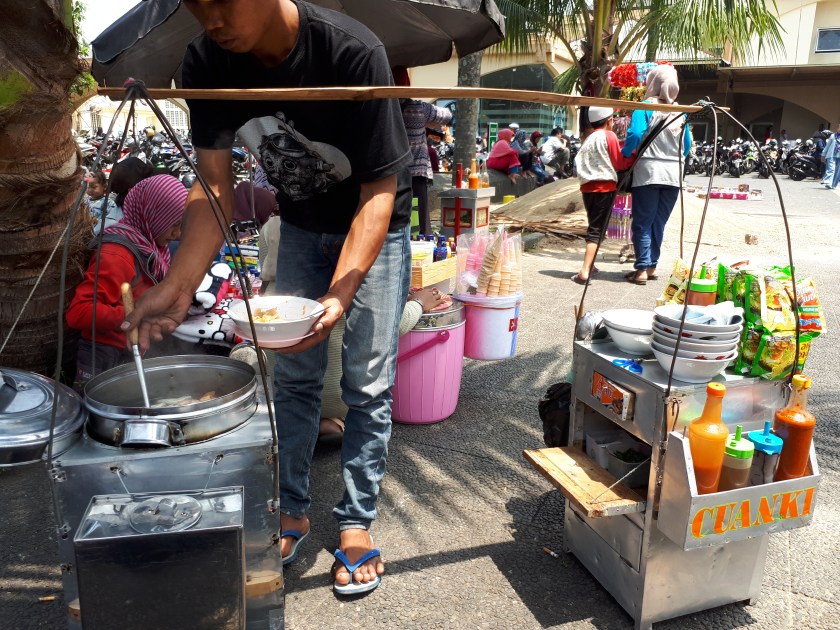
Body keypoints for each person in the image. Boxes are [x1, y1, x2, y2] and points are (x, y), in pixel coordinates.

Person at [125, 0, 412, 596]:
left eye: (222, 1)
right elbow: (214, 188)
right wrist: (177, 285)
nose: (211, 20)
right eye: (196, 5)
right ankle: (292, 508)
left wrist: (339, 294)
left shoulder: (352, 52)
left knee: (367, 383)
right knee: (294, 377)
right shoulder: (206, 63)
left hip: (376, 225)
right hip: (302, 224)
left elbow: (379, 191)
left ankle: (356, 521)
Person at [67, 175, 188, 391]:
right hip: (103, 357)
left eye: (181, 225)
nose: (177, 234)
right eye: (174, 224)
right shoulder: (116, 255)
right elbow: (79, 312)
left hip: (129, 351)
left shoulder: (151, 247)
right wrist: (135, 315)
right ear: (153, 213)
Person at [621, 64, 691, 285]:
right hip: (674, 175)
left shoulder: (644, 107)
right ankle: (651, 267)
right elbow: (687, 145)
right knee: (658, 222)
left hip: (649, 172)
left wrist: (626, 153)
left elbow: (635, 134)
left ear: (653, 83)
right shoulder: (681, 111)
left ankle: (641, 269)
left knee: (643, 222)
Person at [571, 107, 635, 285]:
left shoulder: (589, 138)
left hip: (587, 188)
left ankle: (590, 266)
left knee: (594, 226)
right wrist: (633, 156)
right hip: (604, 187)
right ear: (609, 120)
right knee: (597, 230)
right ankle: (585, 272)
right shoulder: (609, 135)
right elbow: (619, 163)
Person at [391, 66, 452, 235]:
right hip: (416, 173)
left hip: (391, 173)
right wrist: (429, 122)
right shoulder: (419, 108)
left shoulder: (383, 108)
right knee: (420, 220)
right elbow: (447, 115)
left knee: (394, 220)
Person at [84, 169, 122, 234]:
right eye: (88, 187)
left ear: (104, 186)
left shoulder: (108, 203)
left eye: (94, 187)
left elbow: (111, 222)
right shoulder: (85, 202)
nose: (90, 190)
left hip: (100, 234)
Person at [821, 123, 840, 189]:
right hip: (831, 155)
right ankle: (828, 182)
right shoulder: (833, 136)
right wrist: (823, 155)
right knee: (831, 169)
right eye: (839, 128)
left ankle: (833, 185)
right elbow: (827, 146)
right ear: (837, 129)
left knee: (838, 171)